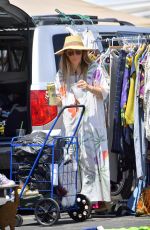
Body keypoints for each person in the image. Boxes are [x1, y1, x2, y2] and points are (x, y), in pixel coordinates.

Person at [50, 35, 111, 207]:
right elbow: (58, 101)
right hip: (72, 125)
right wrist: (51, 97)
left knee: (92, 159)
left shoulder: (94, 68)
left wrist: (89, 87)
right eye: (71, 53)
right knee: (75, 159)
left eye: (77, 52)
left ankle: (97, 201)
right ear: (66, 55)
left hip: (92, 123)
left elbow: (105, 92)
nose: (75, 55)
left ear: (83, 53)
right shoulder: (62, 74)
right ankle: (75, 200)